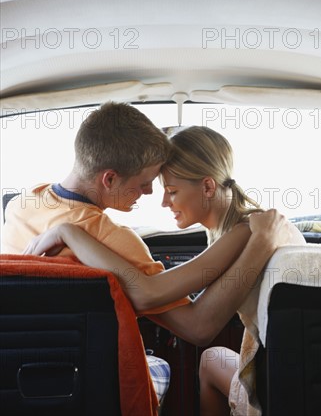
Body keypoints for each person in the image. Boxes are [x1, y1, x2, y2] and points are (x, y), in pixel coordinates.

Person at [25, 124, 305, 414]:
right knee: (211, 360)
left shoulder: (245, 233)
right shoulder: (238, 229)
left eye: (171, 191)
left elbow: (185, 317)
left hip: (278, 382)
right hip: (289, 368)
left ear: (208, 187)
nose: (161, 201)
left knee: (211, 359)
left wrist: (70, 233)